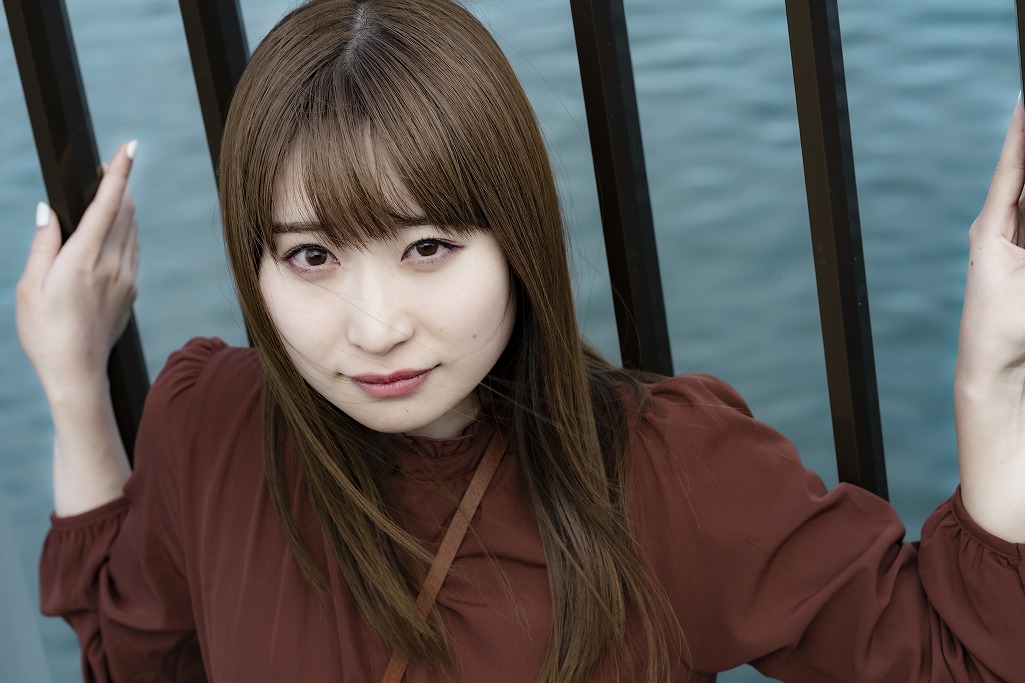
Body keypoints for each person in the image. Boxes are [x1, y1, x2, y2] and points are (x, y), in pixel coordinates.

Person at [14, 0, 1025, 681]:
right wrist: (72, 384)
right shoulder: (215, 425)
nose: (375, 328)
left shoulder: (663, 472)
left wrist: (989, 382)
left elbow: (955, 661)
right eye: (311, 255)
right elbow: (139, 659)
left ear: (516, 239)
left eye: (426, 246)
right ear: (257, 268)